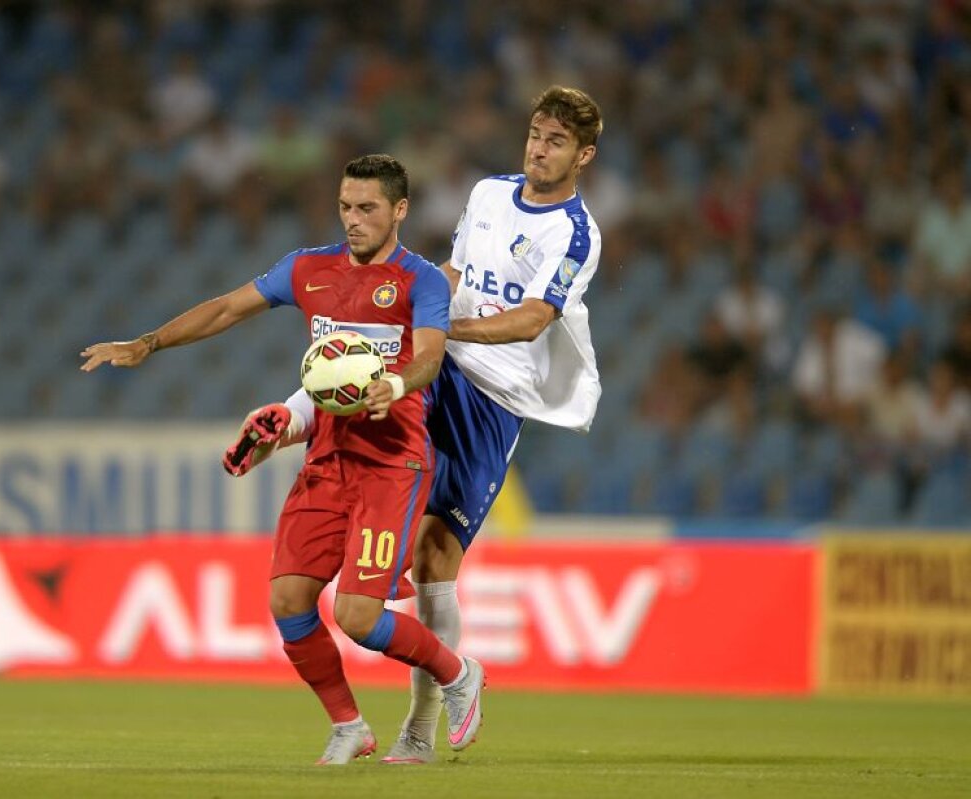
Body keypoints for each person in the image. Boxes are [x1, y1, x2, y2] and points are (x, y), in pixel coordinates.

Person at [225, 86, 604, 764]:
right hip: (436, 367)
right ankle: (286, 424)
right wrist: (419, 320)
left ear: (583, 156)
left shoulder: (576, 233)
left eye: (556, 142)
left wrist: (441, 328)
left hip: (494, 396)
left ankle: (424, 722)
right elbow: (453, 271)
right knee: (352, 386)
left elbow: (532, 319)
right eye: (535, 134)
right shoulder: (489, 193)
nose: (539, 149)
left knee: (434, 561)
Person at [80, 154, 485, 765]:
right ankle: (349, 725)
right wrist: (149, 342)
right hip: (327, 460)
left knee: (357, 617)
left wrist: (398, 384)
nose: (353, 219)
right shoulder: (307, 268)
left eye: (367, 208)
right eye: (345, 206)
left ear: (400, 210)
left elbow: (430, 354)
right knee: (289, 601)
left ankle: (458, 674)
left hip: (392, 464)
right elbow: (226, 307)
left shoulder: (421, 280)